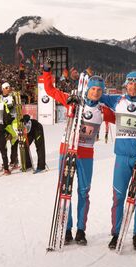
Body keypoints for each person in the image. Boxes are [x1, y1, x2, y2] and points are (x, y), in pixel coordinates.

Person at [42, 61, 114, 245]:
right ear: (87, 89)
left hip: (86, 154)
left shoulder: (103, 110)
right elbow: (49, 90)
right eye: (93, 89)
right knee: (65, 190)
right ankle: (66, 229)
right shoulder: (72, 100)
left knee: (83, 192)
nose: (96, 92)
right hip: (67, 149)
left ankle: (81, 230)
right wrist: (47, 71)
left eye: (99, 90)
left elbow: (123, 118)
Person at [98, 71, 136, 250]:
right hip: (122, 158)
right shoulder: (118, 101)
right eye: (130, 83)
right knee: (118, 196)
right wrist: (91, 86)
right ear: (126, 85)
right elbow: (96, 94)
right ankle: (116, 234)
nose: (133, 86)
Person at [0, 82, 23, 169]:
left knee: (14, 142)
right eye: (6, 87)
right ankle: (5, 162)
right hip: (4, 122)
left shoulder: (12, 97)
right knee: (3, 143)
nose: (8, 89)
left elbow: (14, 106)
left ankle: (14, 160)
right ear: (2, 89)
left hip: (13, 121)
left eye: (9, 87)